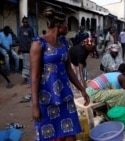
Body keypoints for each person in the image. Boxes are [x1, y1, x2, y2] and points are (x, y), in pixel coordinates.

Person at [30, 7, 90, 141]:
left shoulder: (63, 43)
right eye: (66, 24)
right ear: (58, 24)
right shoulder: (38, 44)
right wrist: (35, 106)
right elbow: (34, 77)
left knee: (71, 133)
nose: (68, 27)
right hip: (46, 98)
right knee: (50, 134)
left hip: (65, 96)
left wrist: (82, 90)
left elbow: (69, 69)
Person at [18, 16, 34, 84]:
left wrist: (32, 47)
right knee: (25, 64)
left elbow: (33, 38)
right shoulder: (21, 29)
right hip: (22, 49)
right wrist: (19, 48)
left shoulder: (30, 29)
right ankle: (27, 78)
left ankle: (26, 79)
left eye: (26, 22)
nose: (25, 23)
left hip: (28, 49)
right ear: (22, 22)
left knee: (27, 64)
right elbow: (20, 39)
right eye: (24, 22)